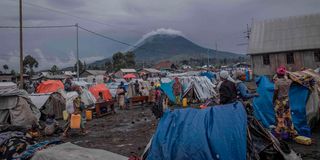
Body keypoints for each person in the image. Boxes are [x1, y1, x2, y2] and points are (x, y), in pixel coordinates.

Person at [273, 66, 298, 139]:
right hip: (287, 100)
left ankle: (280, 133)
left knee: (280, 118)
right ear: (284, 74)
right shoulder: (289, 81)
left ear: (278, 74)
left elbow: (275, 92)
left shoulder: (277, 82)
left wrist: (273, 100)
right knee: (288, 116)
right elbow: (293, 78)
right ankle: (292, 132)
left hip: (280, 101)